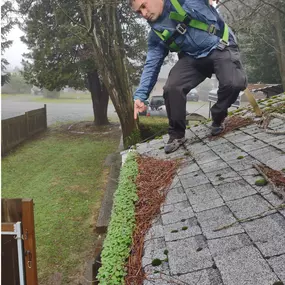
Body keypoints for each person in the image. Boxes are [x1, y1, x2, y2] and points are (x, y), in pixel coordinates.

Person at [131, 0, 248, 154]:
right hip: (193, 58)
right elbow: (151, 64)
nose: (144, 14)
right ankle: (177, 135)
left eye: (144, 6)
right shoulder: (156, 34)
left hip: (220, 46)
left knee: (234, 83)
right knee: (172, 88)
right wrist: (141, 95)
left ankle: (218, 117)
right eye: (139, 12)